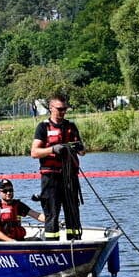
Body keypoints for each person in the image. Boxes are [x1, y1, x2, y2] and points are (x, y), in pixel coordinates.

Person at [30, 93, 85, 240]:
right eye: (60, 109)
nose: (62, 112)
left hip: (70, 177)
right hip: (51, 178)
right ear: (51, 108)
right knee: (52, 213)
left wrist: (78, 147)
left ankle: (74, 242)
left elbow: (83, 152)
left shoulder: (71, 127)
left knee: (73, 212)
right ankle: (52, 245)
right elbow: (34, 152)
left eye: (65, 109)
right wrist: (52, 149)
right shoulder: (43, 127)